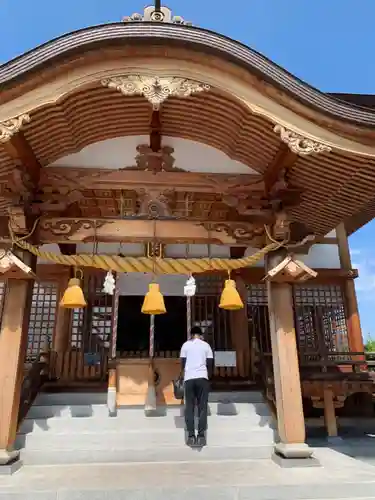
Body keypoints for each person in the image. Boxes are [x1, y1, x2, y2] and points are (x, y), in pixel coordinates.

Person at [180, 326, 214, 447]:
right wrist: (207, 376)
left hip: (189, 378)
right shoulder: (206, 346)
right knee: (202, 407)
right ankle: (201, 436)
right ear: (200, 334)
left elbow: (183, 364)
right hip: (202, 378)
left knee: (189, 407)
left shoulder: (185, 345)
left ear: (191, 334)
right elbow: (210, 364)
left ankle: (190, 436)